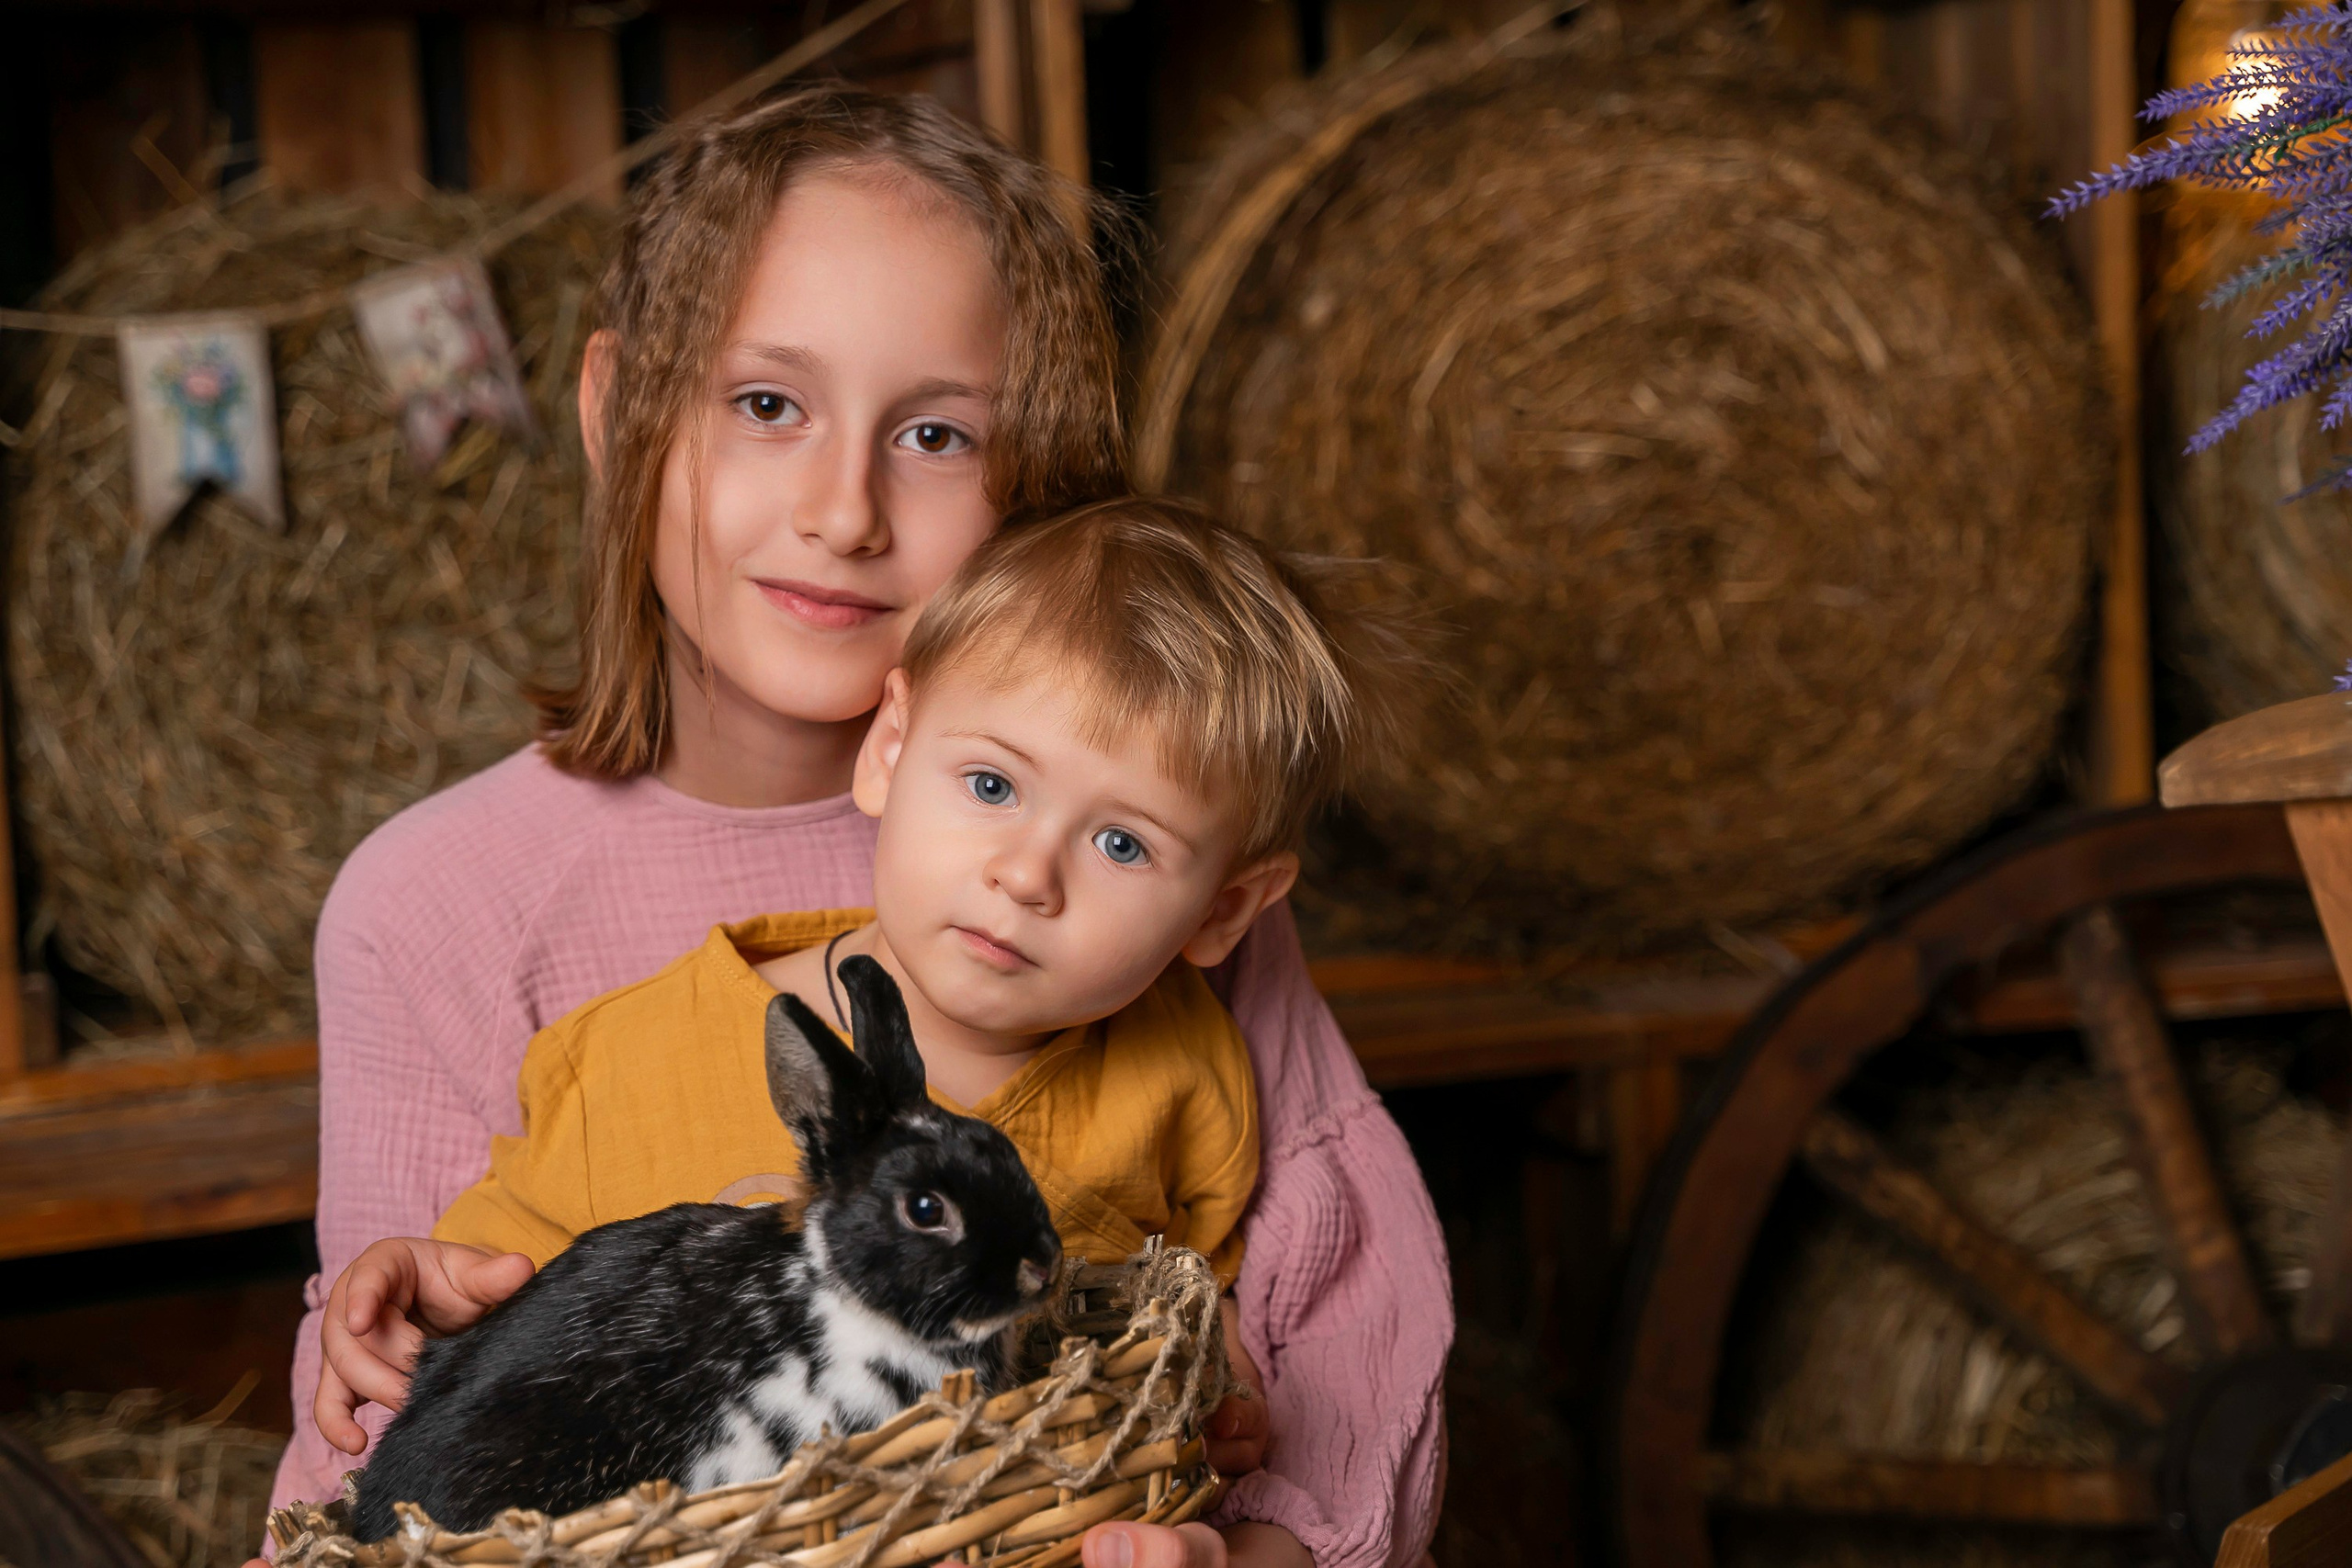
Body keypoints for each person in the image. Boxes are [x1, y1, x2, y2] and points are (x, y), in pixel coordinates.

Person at [266, 85, 1450, 1568]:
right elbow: (384, 1452)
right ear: (616, 411)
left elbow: (1352, 1356)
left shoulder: (1127, 849)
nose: (845, 511)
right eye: (768, 405)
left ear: (1039, 473)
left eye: (939, 434)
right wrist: (398, 1308)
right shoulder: (435, 904)